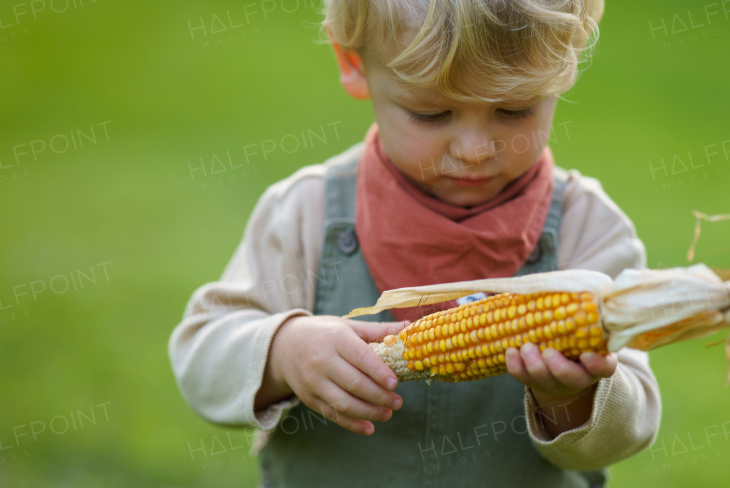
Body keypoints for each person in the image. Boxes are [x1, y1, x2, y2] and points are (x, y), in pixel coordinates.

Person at [169, 1, 660, 486]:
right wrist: (282, 352)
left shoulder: (589, 231)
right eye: (431, 113)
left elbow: (629, 430)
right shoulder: (306, 212)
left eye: (514, 111)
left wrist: (571, 397)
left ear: (564, 67)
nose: (474, 150)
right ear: (353, 65)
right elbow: (202, 357)